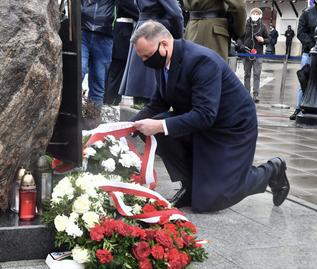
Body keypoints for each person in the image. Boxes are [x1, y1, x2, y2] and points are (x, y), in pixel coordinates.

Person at [130, 21, 290, 212]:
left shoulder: (201, 61)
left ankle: (273, 170)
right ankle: (190, 185)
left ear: (164, 44)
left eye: (147, 56)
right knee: (155, 126)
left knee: (215, 198)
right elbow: (158, 103)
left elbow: (205, 115)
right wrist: (128, 126)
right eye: (141, 57)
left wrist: (159, 125)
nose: (145, 62)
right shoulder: (163, 62)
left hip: (230, 127)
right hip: (200, 122)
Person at [119, 0, 184, 106]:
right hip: (156, 32)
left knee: (141, 97)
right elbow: (176, 14)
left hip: (143, 27)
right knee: (153, 95)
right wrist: (178, 40)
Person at [182, 0, 246, 60]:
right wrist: (239, 33)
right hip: (213, 33)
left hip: (190, 29)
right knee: (214, 68)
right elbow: (239, 6)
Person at [103, 1, 139, 105]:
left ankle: (112, 100)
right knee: (117, 70)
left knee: (119, 70)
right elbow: (130, 7)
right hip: (123, 34)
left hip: (126, 32)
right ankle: (110, 101)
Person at [81, 0, 115, 105]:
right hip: (82, 31)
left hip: (104, 34)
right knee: (78, 73)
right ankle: (70, 116)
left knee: (99, 83)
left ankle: (93, 119)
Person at [237, 8, 269, 103]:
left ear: (260, 15)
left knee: (257, 75)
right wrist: (241, 45)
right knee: (247, 74)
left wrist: (263, 40)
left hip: (258, 54)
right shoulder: (244, 25)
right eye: (253, 13)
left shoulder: (263, 27)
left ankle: (256, 95)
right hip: (246, 53)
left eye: (257, 13)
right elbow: (239, 38)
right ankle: (246, 94)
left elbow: (269, 39)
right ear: (250, 14)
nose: (255, 14)